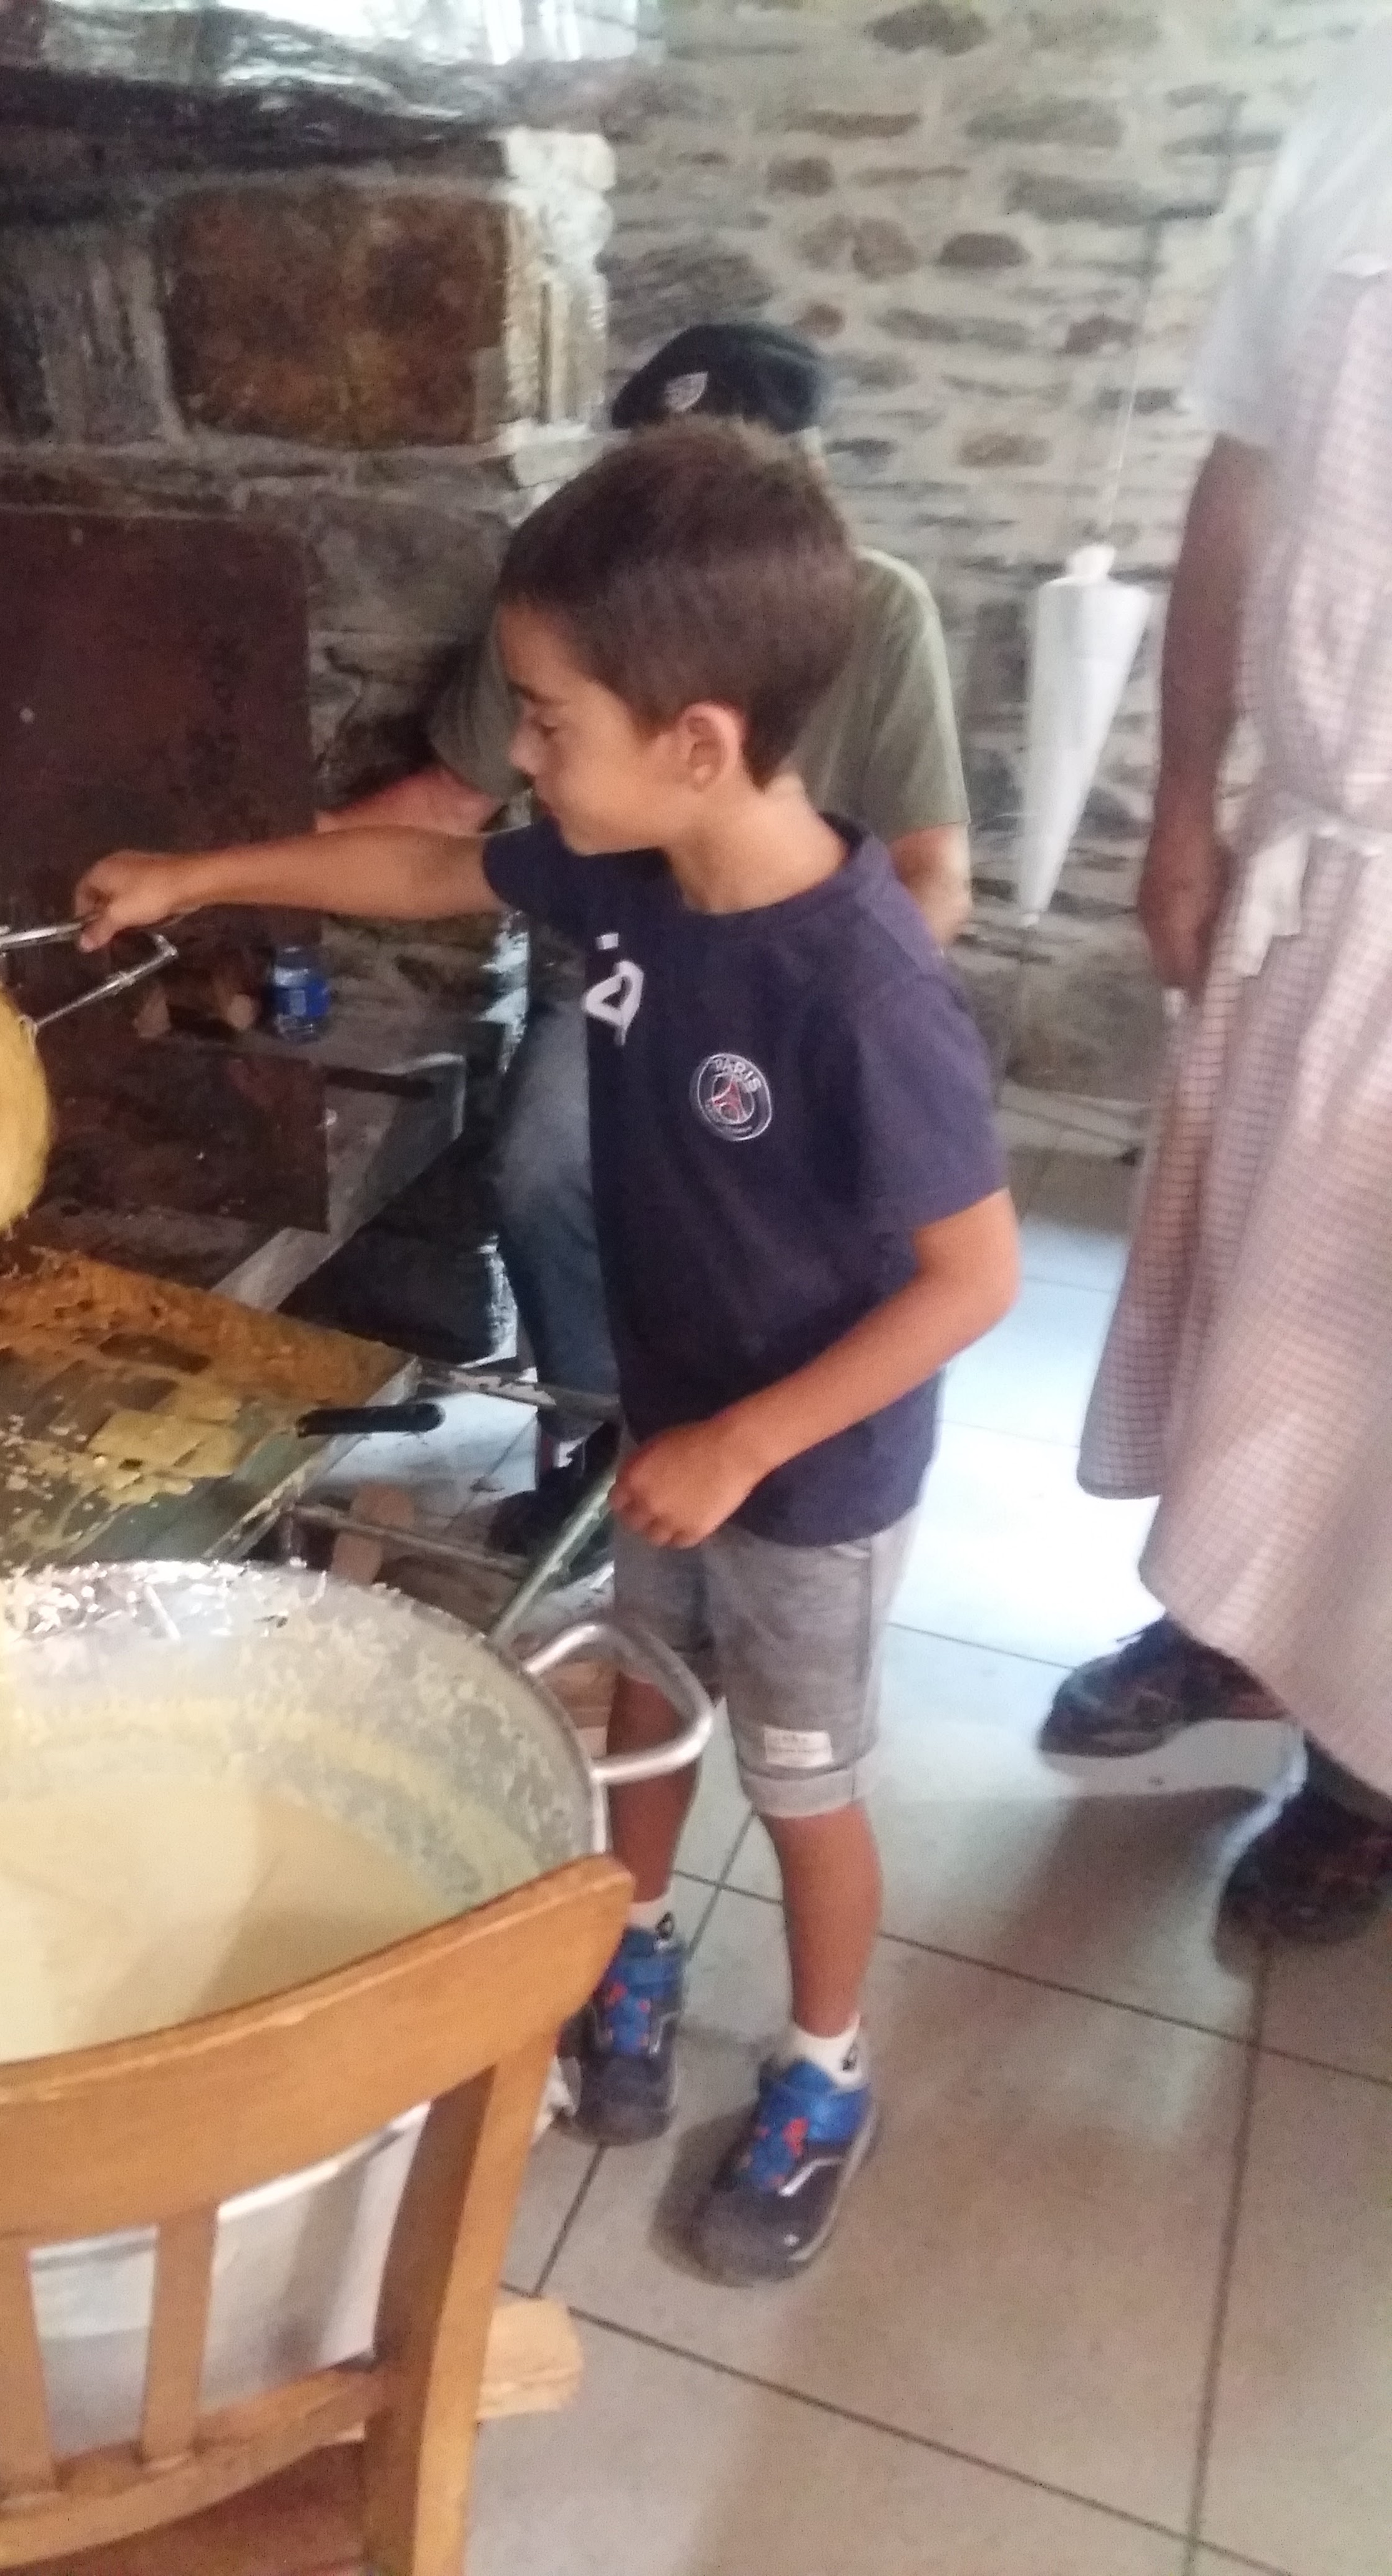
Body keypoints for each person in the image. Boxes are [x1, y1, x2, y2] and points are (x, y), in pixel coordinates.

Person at [77, 424, 1017, 2278]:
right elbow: (432, 875)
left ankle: (826, 2069)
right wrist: (201, 874)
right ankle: (633, 1955)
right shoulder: (629, 871)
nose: (521, 754)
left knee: (804, 1782)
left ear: (698, 744)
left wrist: (748, 1443)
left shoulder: (860, 987)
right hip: (671, 1430)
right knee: (649, 1704)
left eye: (547, 718)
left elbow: (971, 1279)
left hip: (809, 1479)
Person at [326, 323, 973, 1552]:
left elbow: (933, 874)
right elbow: (446, 825)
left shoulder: (882, 614)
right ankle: (607, 1445)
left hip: (781, 995)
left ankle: (729, 1436)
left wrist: (806, 1017)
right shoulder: (575, 624)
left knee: (756, 1204)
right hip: (619, 965)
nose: (531, 752)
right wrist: (224, 863)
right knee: (545, 1164)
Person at [1042, 27, 1392, 1944]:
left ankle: (1367, 1766)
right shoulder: (1358, 108)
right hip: (1317, 854)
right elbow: (1241, 485)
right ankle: (1234, 1626)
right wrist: (1185, 800)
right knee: (1252, 1278)